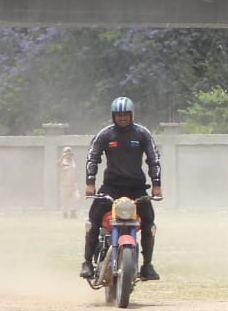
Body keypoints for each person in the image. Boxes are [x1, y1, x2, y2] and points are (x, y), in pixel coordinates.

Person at [82, 97, 162, 280]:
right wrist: (90, 183)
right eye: (119, 115)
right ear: (113, 116)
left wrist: (156, 185)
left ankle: (147, 265)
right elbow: (92, 157)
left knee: (149, 224)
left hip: (137, 188)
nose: (123, 118)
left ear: (131, 115)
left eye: (126, 114)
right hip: (111, 187)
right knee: (93, 220)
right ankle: (87, 262)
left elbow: (153, 159)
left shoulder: (142, 134)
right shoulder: (105, 134)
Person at [57, 146, 79, 219]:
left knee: (76, 198)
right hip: (64, 184)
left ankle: (73, 212)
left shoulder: (73, 161)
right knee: (64, 200)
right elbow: (57, 165)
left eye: (70, 153)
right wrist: (62, 158)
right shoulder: (62, 161)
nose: (69, 155)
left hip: (73, 184)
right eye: (67, 153)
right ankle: (65, 214)